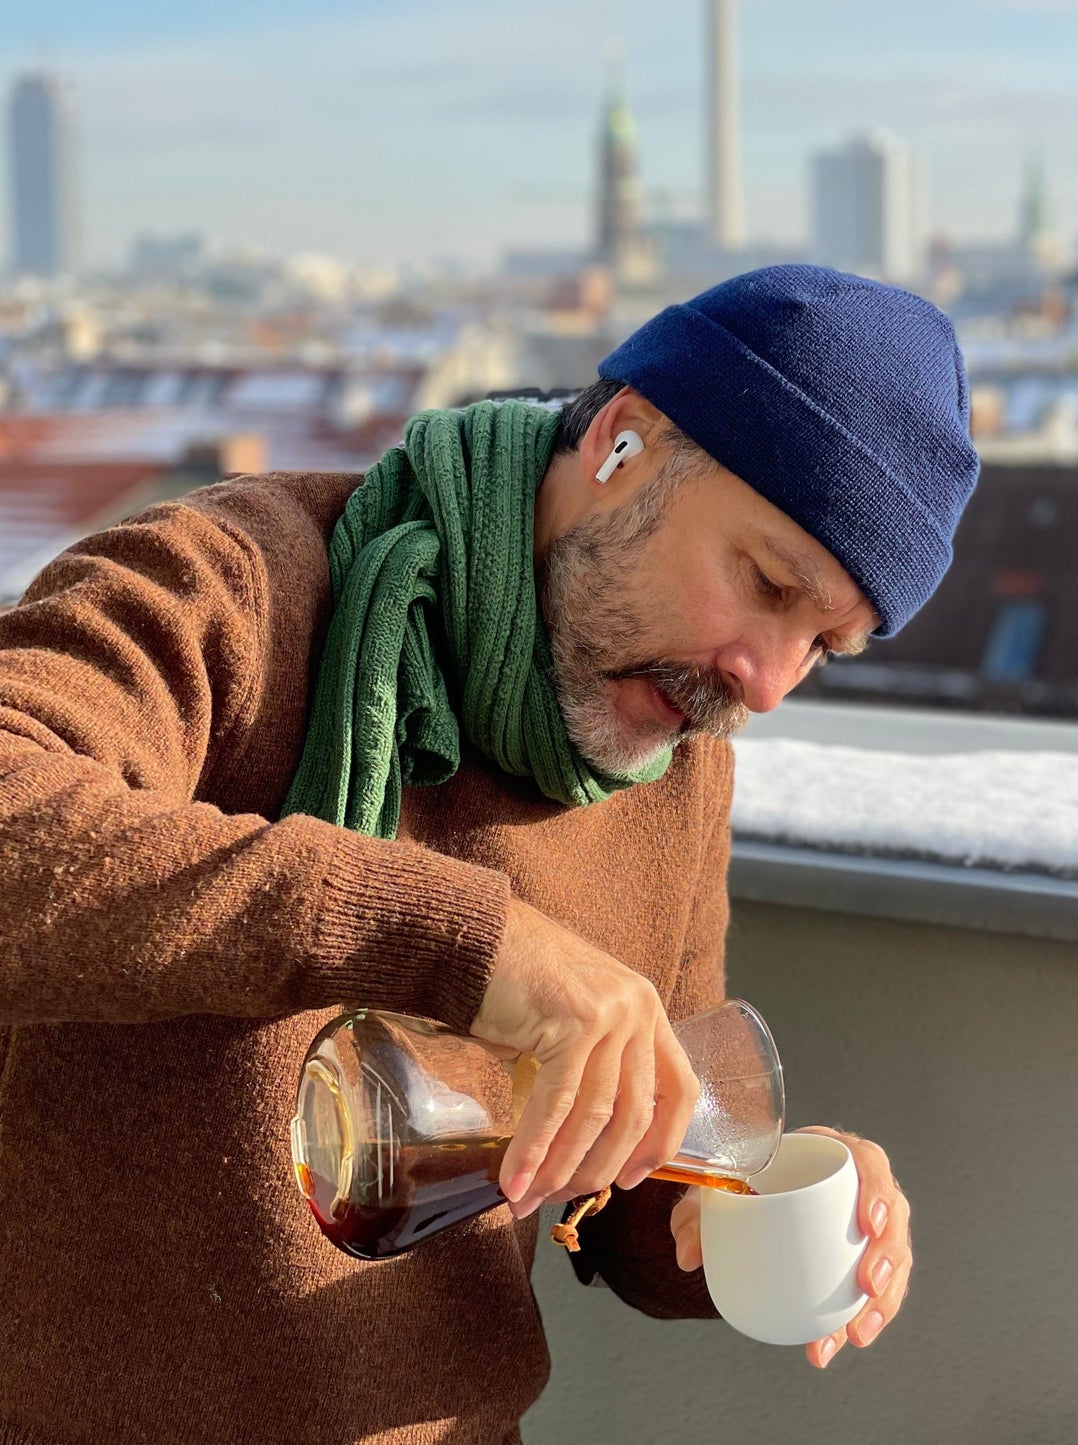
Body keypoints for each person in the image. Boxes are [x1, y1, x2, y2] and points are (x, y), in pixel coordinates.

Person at [0, 265, 979, 1444]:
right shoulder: (243, 582)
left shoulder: (674, 751)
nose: (763, 682)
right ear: (623, 442)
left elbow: (622, 1166)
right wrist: (470, 941)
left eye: (824, 643)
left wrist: (736, 1198)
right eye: (766, 582)